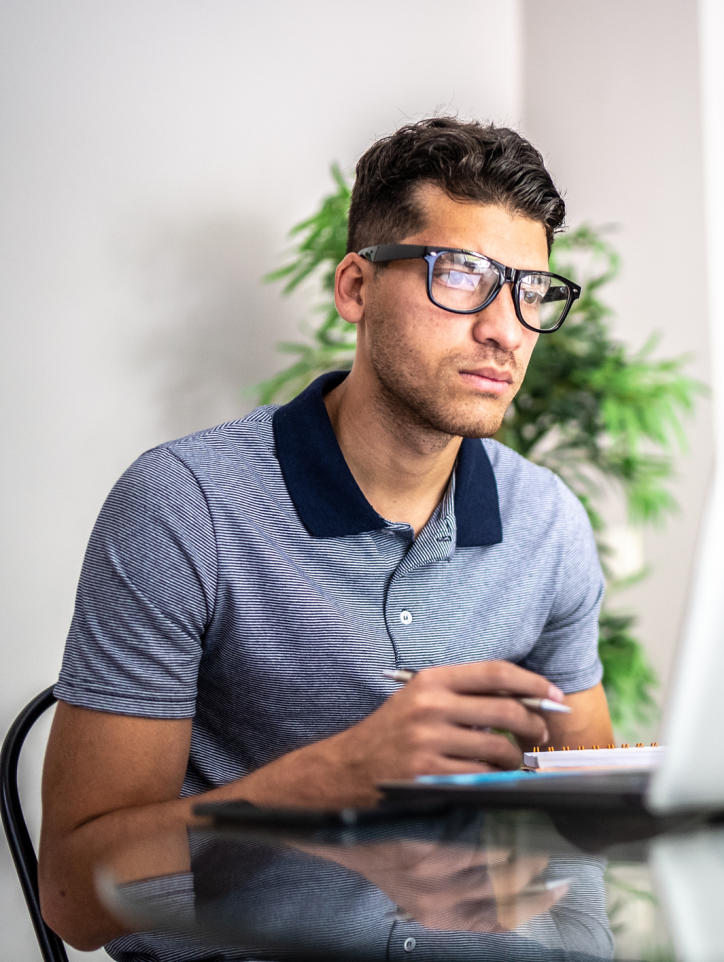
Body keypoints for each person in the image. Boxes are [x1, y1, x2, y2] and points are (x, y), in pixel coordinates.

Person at [38, 117, 615, 951]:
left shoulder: (549, 524)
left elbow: (584, 831)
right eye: (461, 275)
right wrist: (317, 791)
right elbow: (73, 895)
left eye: (532, 291)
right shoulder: (182, 507)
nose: (506, 329)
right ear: (355, 288)